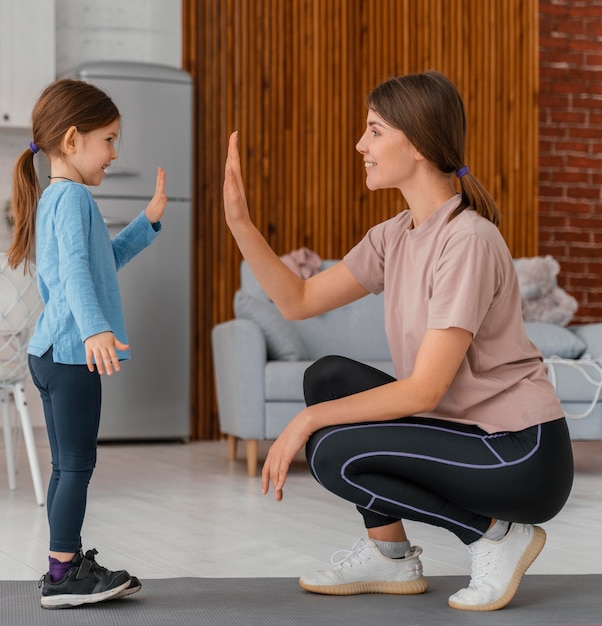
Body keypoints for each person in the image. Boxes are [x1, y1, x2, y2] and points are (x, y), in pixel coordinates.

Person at [222, 70, 574, 612]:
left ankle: (497, 536)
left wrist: (308, 419)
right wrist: (241, 223)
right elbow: (297, 301)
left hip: (519, 452)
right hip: (466, 433)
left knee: (331, 452)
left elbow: (425, 390)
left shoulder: (468, 241)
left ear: (416, 142)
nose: (361, 145)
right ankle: (390, 557)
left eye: (375, 130)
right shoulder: (396, 235)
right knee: (327, 378)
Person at [8, 78, 168, 609]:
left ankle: (63, 563)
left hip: (50, 352)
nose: (115, 153)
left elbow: (102, 264)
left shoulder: (60, 197)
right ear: (73, 140)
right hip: (72, 352)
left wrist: (146, 223)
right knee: (76, 466)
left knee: (65, 465)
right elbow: (77, 272)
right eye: (109, 139)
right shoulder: (72, 197)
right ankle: (63, 575)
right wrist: (96, 328)